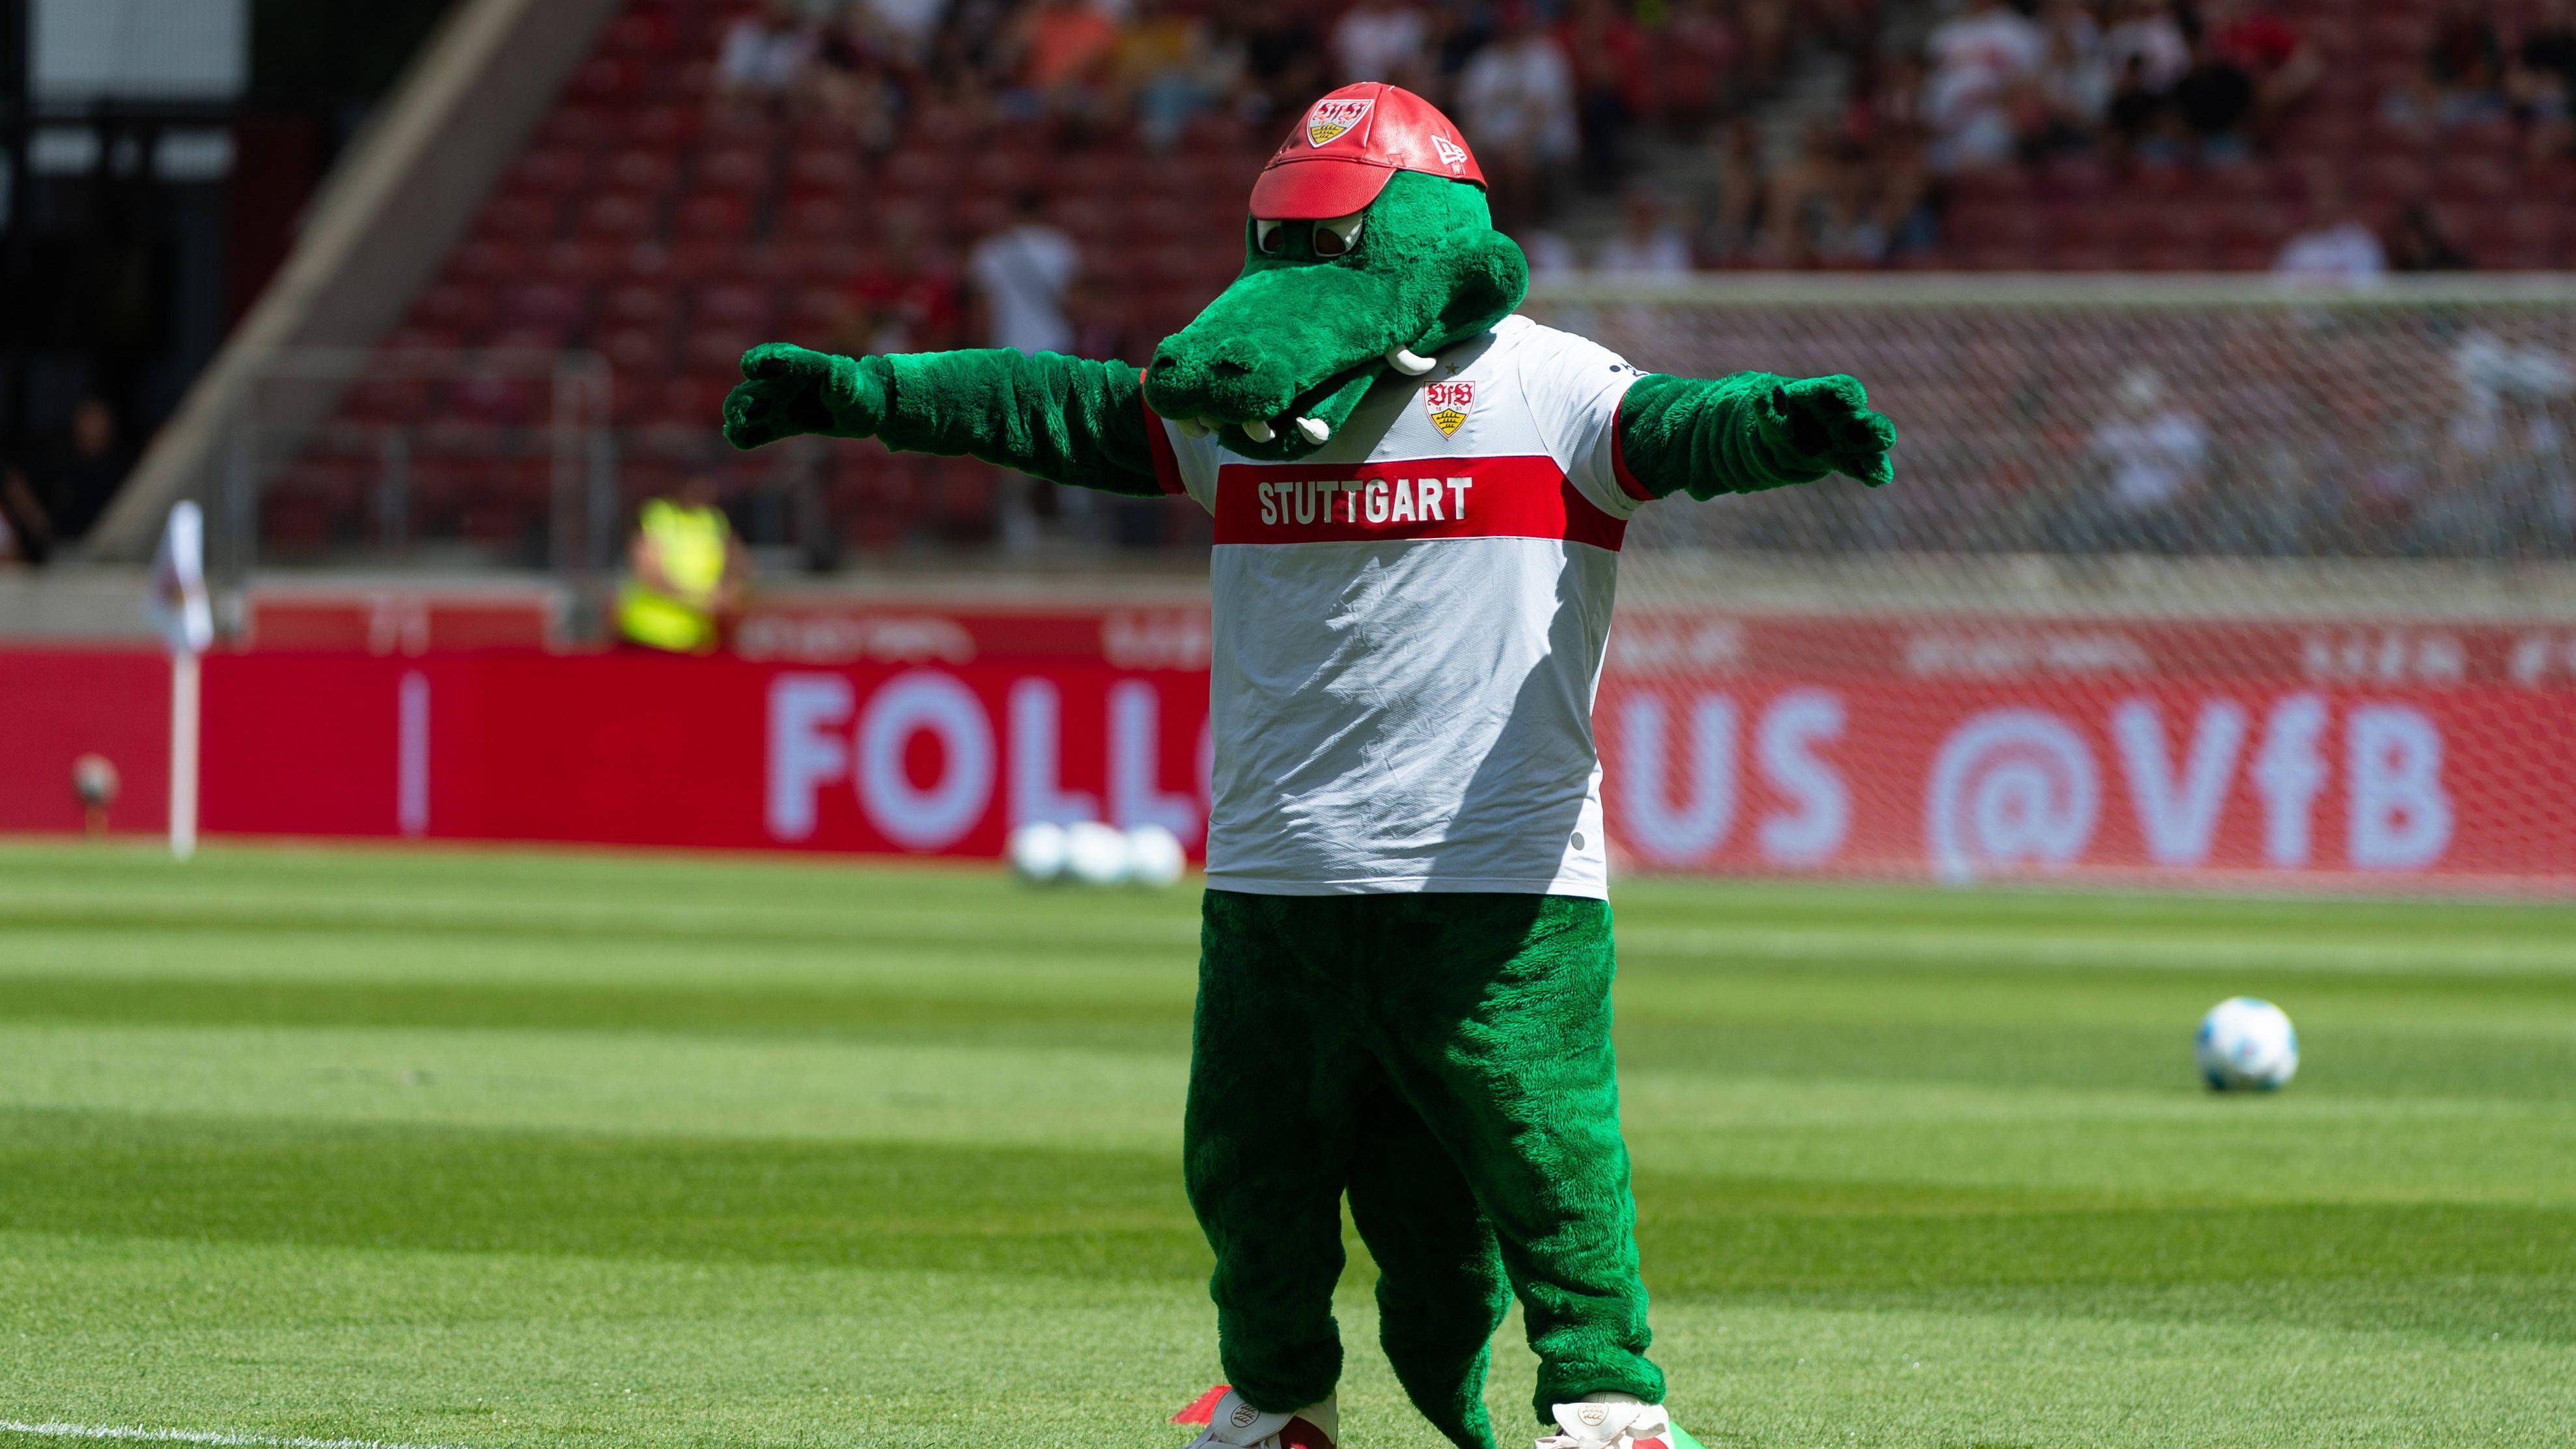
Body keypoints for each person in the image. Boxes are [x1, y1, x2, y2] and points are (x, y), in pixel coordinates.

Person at [721, 82, 1897, 1449]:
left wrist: (1783, 426)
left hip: (1500, 886)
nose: (1298, 267)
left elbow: (1680, 431)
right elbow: (1053, 406)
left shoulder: (1549, 383)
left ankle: (1607, 1402)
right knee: (1248, 1171)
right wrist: (870, 393)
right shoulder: (1241, 403)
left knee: (1551, 1161)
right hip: (1274, 880)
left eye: (1330, 236)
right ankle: (1283, 1397)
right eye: (1283, 237)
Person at [616, 475, 750, 654]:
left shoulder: (713, 520)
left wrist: (728, 592)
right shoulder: (659, 515)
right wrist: (698, 600)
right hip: (650, 634)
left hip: (697, 637)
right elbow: (649, 573)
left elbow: (739, 562)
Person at [968, 190, 1080, 357]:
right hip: (1056, 346)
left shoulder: (991, 249)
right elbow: (1075, 302)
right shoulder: (1060, 245)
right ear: (1042, 211)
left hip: (1007, 348)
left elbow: (983, 314)